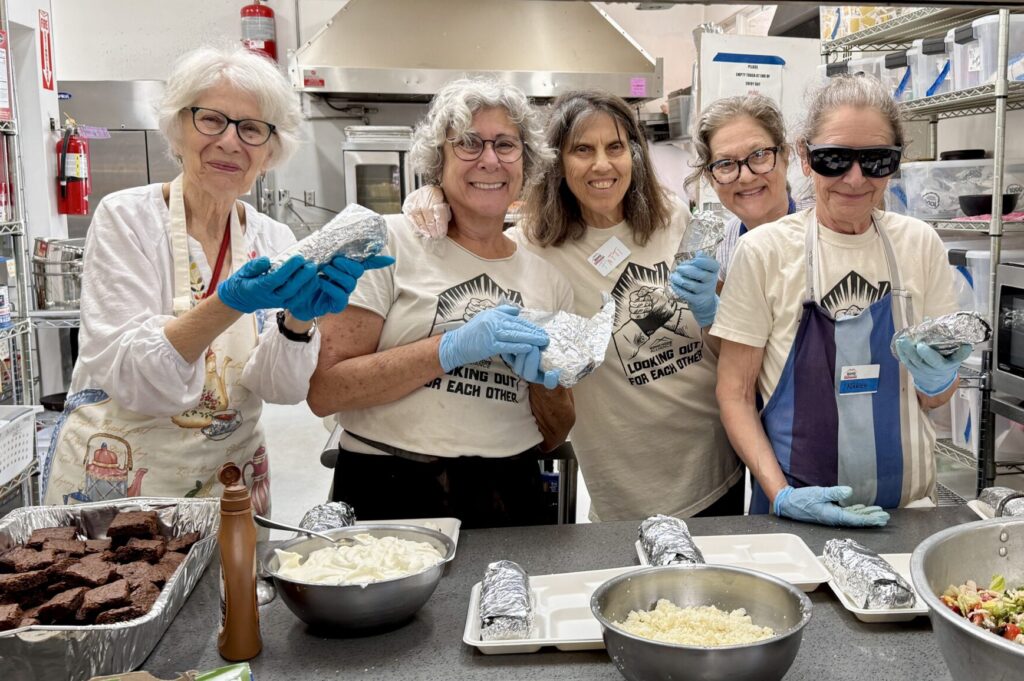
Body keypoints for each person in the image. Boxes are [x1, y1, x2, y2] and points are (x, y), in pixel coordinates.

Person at [42, 47, 391, 513]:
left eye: (251, 129)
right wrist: (229, 303)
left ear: (270, 151)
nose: (230, 142)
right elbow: (135, 382)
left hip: (233, 485)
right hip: (120, 489)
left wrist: (299, 322)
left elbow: (279, 390)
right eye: (211, 120)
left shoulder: (272, 237)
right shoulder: (127, 218)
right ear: (178, 127)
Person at [405, 90, 742, 521]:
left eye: (615, 147)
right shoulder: (533, 247)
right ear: (556, 162)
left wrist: (713, 307)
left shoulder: (671, 216)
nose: (602, 164)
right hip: (626, 484)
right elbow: (472, 228)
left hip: (717, 463)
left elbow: (723, 343)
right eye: (583, 149)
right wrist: (431, 195)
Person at [307, 78, 575, 529]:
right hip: (388, 485)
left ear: (524, 165)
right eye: (469, 143)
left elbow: (557, 431)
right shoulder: (387, 244)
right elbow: (326, 390)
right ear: (439, 162)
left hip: (510, 492)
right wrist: (446, 349)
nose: (489, 159)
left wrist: (545, 382)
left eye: (506, 145)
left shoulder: (549, 280)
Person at [712, 75, 968, 527]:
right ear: (807, 159)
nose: (855, 178)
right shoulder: (765, 252)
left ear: (896, 163)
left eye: (876, 161)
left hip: (907, 514)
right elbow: (734, 395)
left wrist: (939, 379)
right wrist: (782, 494)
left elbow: (936, 399)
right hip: (795, 516)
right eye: (834, 159)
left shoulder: (920, 244)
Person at [686, 95, 798, 285]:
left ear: (785, 156)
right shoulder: (726, 242)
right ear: (709, 177)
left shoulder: (827, 228)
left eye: (759, 155)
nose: (746, 177)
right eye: (726, 163)